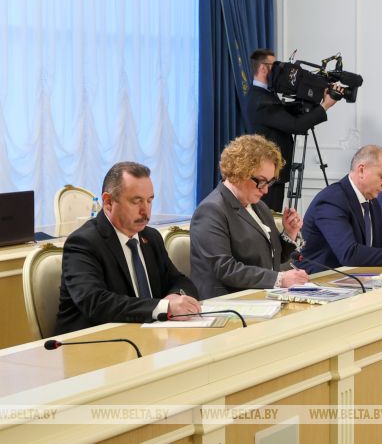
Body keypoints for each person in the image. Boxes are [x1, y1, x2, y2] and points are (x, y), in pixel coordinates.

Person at [54, 162, 200, 335]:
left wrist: (175, 296)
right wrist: (163, 307)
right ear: (108, 202)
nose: (145, 211)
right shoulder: (83, 243)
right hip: (92, 341)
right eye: (136, 201)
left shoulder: (151, 237)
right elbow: (96, 303)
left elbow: (180, 281)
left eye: (149, 200)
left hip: (146, 337)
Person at [190, 135, 309, 300]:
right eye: (261, 181)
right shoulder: (211, 210)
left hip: (260, 298)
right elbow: (225, 269)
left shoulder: (259, 206)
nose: (265, 190)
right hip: (226, 303)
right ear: (239, 172)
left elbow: (272, 258)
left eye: (269, 182)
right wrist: (279, 279)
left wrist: (290, 233)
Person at [245, 49, 339, 211]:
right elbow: (295, 125)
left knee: (272, 219)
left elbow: (288, 116)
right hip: (266, 176)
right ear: (263, 68)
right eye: (274, 65)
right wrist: (325, 106)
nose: (279, 69)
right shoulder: (260, 99)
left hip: (272, 174)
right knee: (268, 221)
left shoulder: (266, 95)